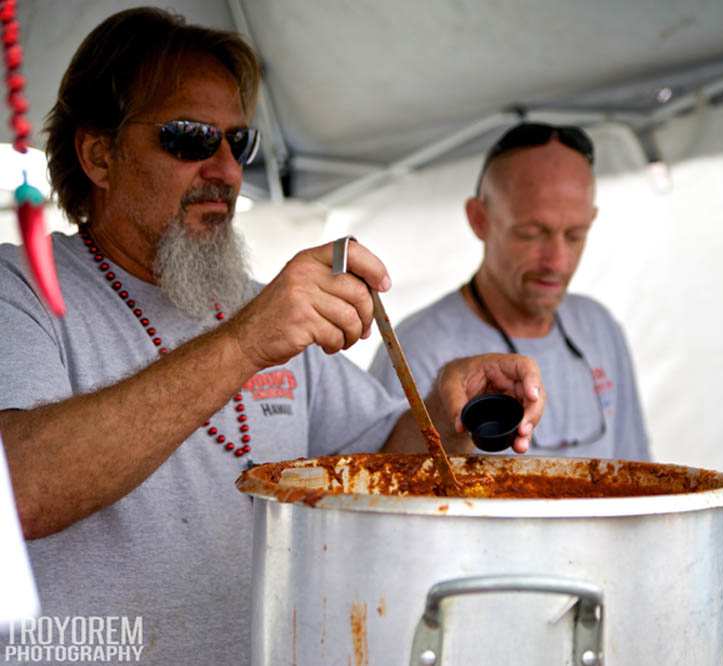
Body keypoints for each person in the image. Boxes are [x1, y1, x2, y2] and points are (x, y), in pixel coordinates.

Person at [0, 8, 543, 665]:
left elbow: (376, 468)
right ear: (99, 155)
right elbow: (18, 488)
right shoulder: (22, 287)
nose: (227, 171)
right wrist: (244, 344)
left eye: (240, 144)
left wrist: (446, 414)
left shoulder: (260, 308)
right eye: (191, 138)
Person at [369, 122, 651, 461]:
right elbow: (381, 490)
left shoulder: (599, 327)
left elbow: (637, 473)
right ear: (479, 220)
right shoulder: (417, 348)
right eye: (531, 234)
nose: (557, 261)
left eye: (575, 235)